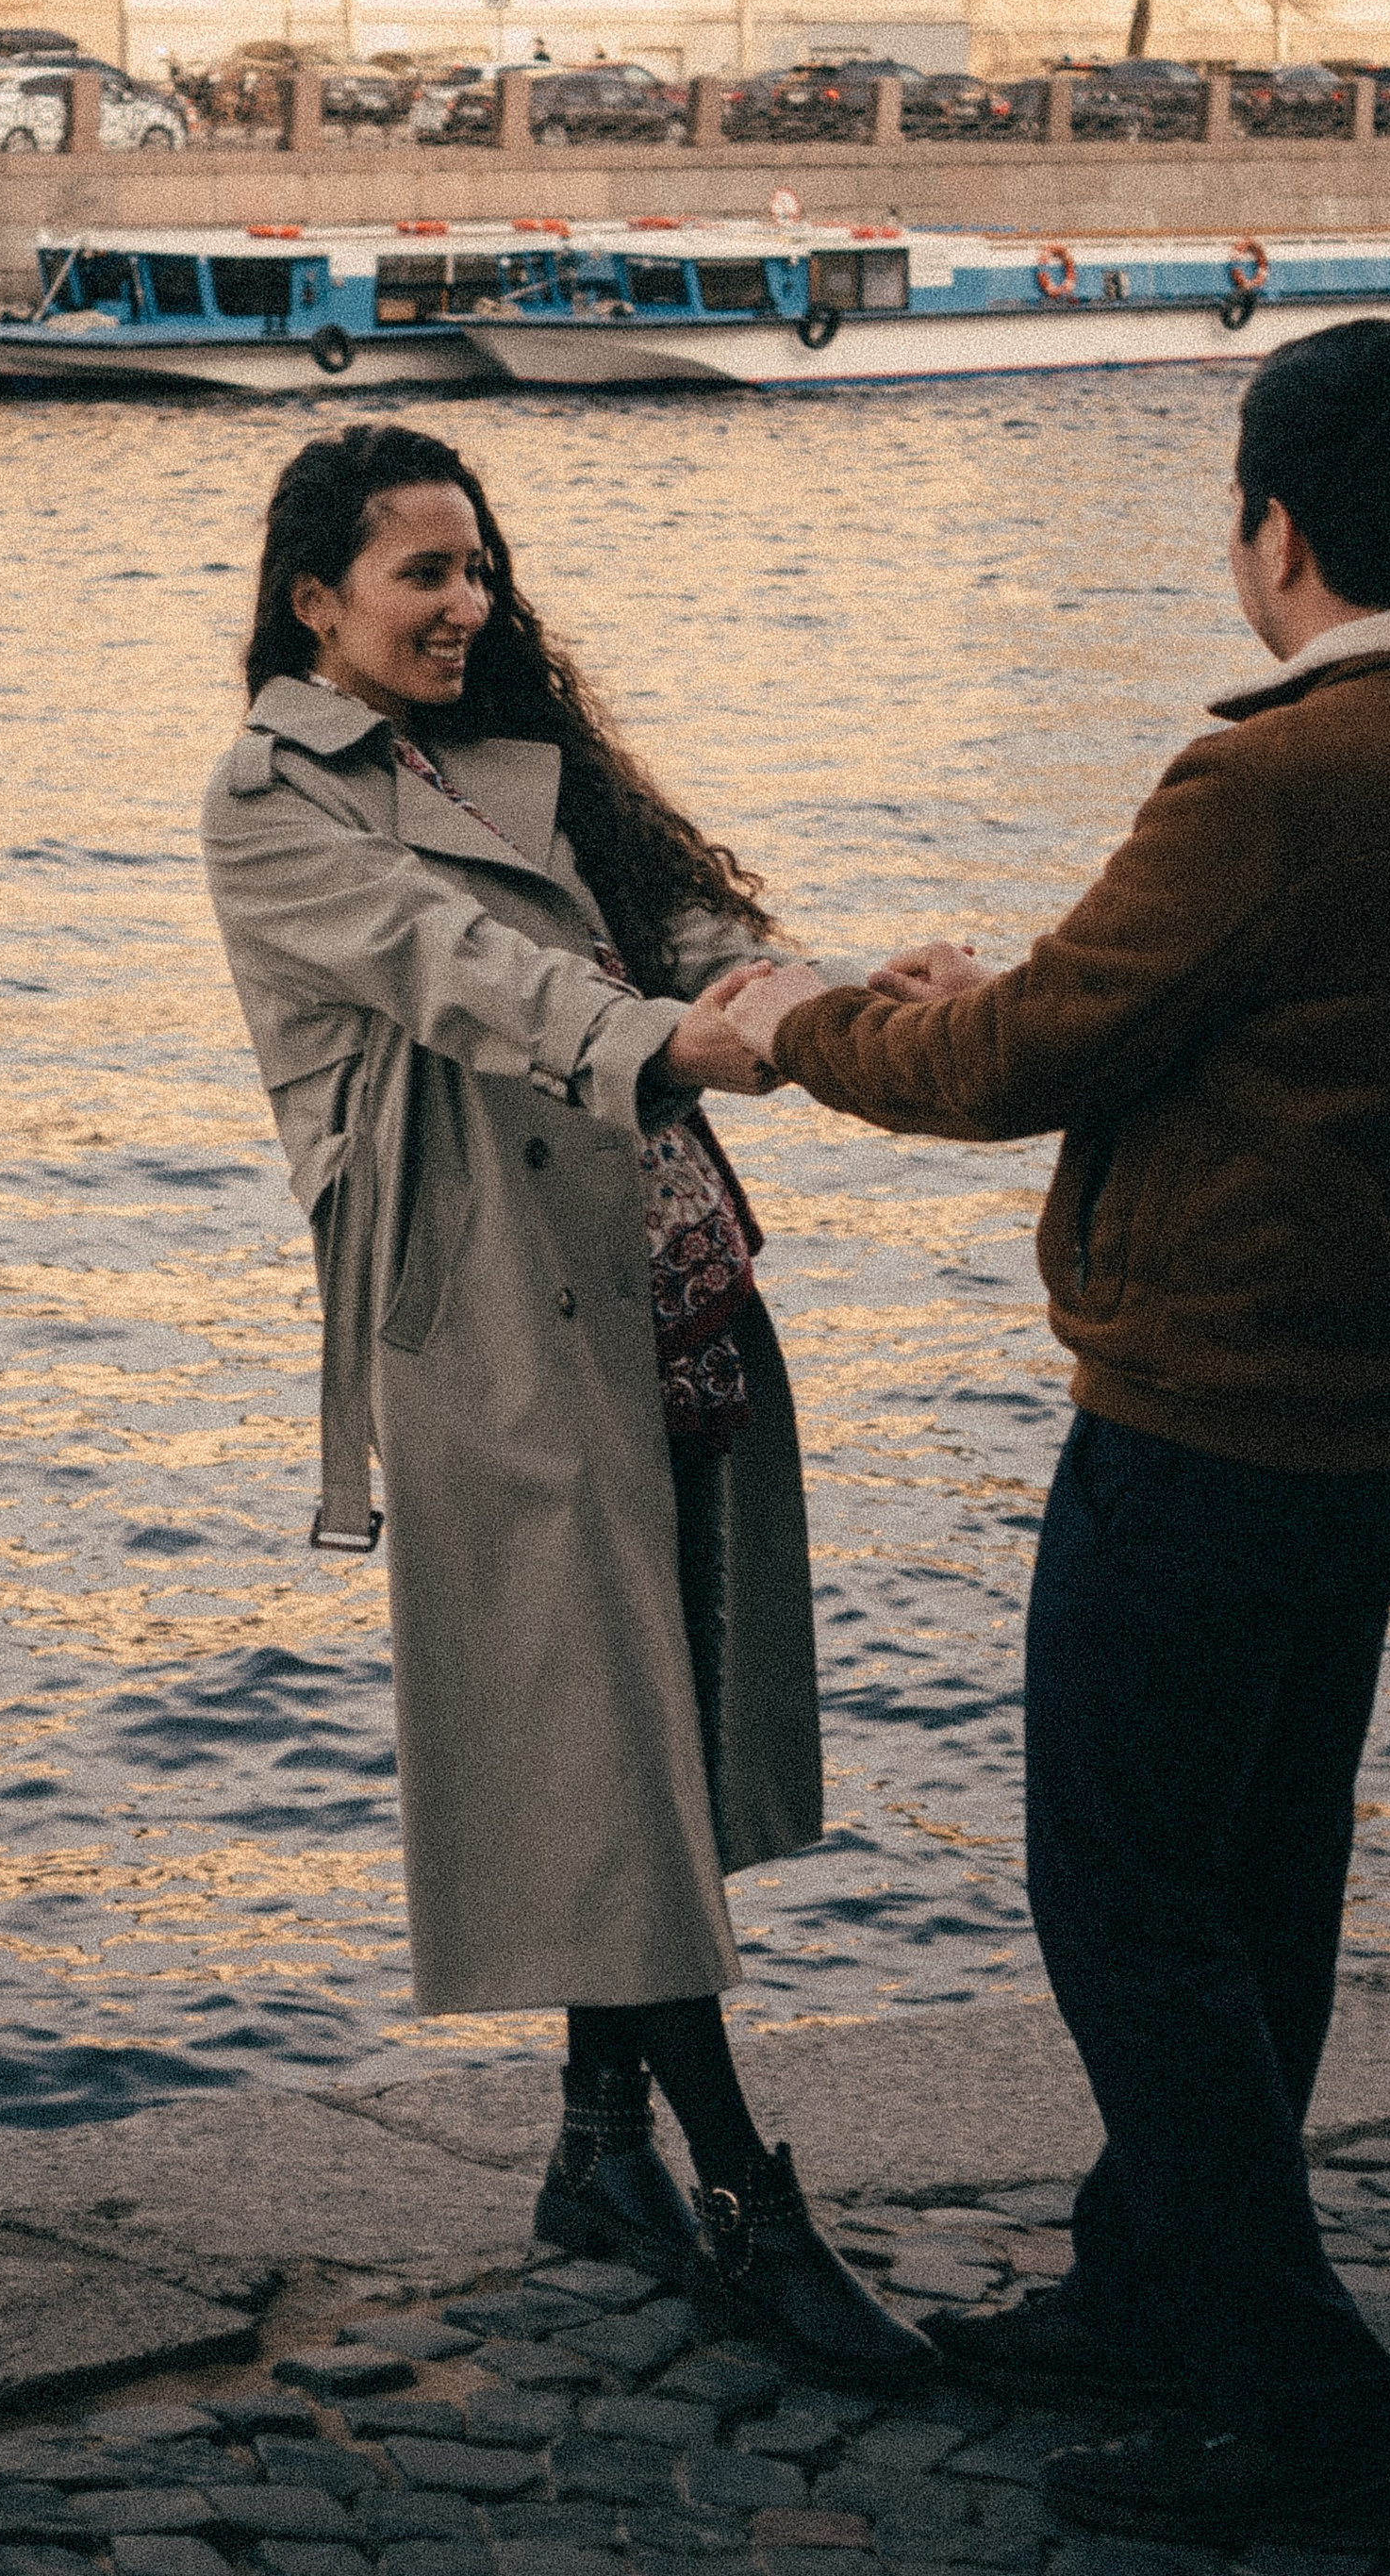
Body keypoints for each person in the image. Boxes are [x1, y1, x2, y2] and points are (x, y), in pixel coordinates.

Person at [720, 322, 1390, 2550]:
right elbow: (1275, 1038)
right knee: (1259, 1890)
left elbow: (1026, 1061)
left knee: (1121, 1902)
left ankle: (1288, 2384)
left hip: (1200, 1421)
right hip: (1381, 1406)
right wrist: (1002, 1001)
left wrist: (804, 1019)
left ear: (1276, 533)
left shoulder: (1276, 776)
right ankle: (1147, 2277)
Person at [203, 423, 928, 2387]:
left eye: (477, 567)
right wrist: (673, 1040)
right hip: (501, 1332)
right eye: (420, 573)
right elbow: (466, 981)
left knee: (656, 1744)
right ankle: (751, 2212)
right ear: (312, 601)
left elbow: (674, 926)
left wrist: (837, 998)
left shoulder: (528, 756)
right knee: (615, 1762)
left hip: (669, 1279)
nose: (465, 603)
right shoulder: (269, 805)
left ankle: (594, 2159)